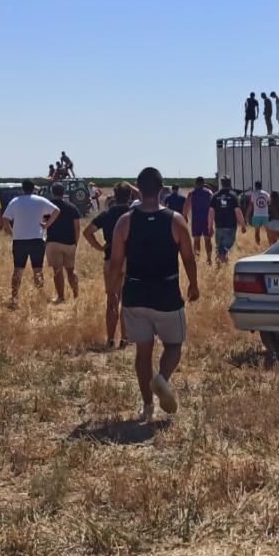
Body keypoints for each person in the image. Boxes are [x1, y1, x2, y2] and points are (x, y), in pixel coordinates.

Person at [109, 167, 200, 421]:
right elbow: (189, 258)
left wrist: (112, 289)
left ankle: (147, 406)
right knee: (173, 345)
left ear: (138, 188)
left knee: (142, 353)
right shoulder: (175, 220)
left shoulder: (125, 221)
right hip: (166, 293)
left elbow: (116, 261)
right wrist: (194, 284)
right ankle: (162, 378)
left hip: (135, 292)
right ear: (161, 189)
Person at [85, 182, 136, 349]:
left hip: (111, 259)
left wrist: (100, 247)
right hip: (130, 260)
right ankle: (125, 338)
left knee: (112, 300)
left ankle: (110, 340)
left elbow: (88, 232)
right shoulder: (134, 215)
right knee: (127, 301)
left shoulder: (106, 214)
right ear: (129, 196)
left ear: (114, 195)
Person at [2, 179, 59, 305]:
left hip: (19, 240)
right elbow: (56, 211)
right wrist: (46, 225)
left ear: (22, 189)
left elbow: (5, 219)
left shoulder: (15, 201)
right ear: (33, 188)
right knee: (38, 270)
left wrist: (12, 233)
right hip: (36, 240)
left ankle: (14, 297)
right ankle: (39, 297)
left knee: (18, 270)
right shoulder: (40, 200)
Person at [44, 182, 82, 304]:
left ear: (52, 192)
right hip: (69, 243)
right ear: (64, 192)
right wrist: (75, 242)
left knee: (57, 271)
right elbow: (77, 227)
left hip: (53, 242)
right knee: (71, 270)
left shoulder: (48, 207)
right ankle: (76, 295)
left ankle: (61, 297)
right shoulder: (72, 207)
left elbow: (44, 223)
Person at [210, 177, 244, 263]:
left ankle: (219, 266)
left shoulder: (215, 195)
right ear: (230, 183)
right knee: (225, 248)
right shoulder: (233, 196)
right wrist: (243, 224)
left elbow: (211, 211)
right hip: (230, 226)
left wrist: (209, 225)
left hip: (219, 226)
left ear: (221, 184)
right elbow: (238, 211)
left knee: (220, 247)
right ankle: (223, 266)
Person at [186, 176, 215, 266]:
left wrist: (185, 215)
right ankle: (209, 259)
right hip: (206, 219)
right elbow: (213, 206)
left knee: (196, 240)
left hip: (196, 219)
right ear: (203, 183)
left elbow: (187, 206)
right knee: (208, 240)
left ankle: (197, 259)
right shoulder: (209, 192)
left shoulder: (191, 193)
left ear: (196, 183)